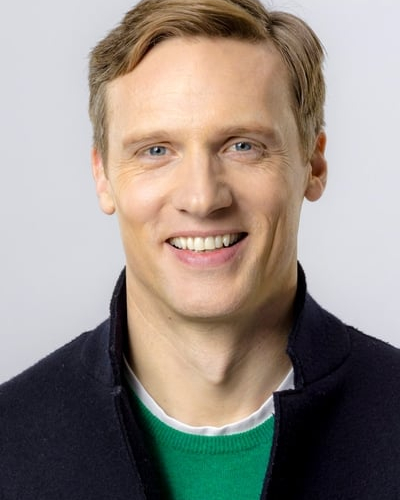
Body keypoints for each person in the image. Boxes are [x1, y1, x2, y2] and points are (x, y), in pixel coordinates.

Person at [1, 0, 399, 498]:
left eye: (243, 145)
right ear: (102, 176)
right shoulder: (9, 445)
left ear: (313, 165)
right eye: (156, 150)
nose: (202, 198)